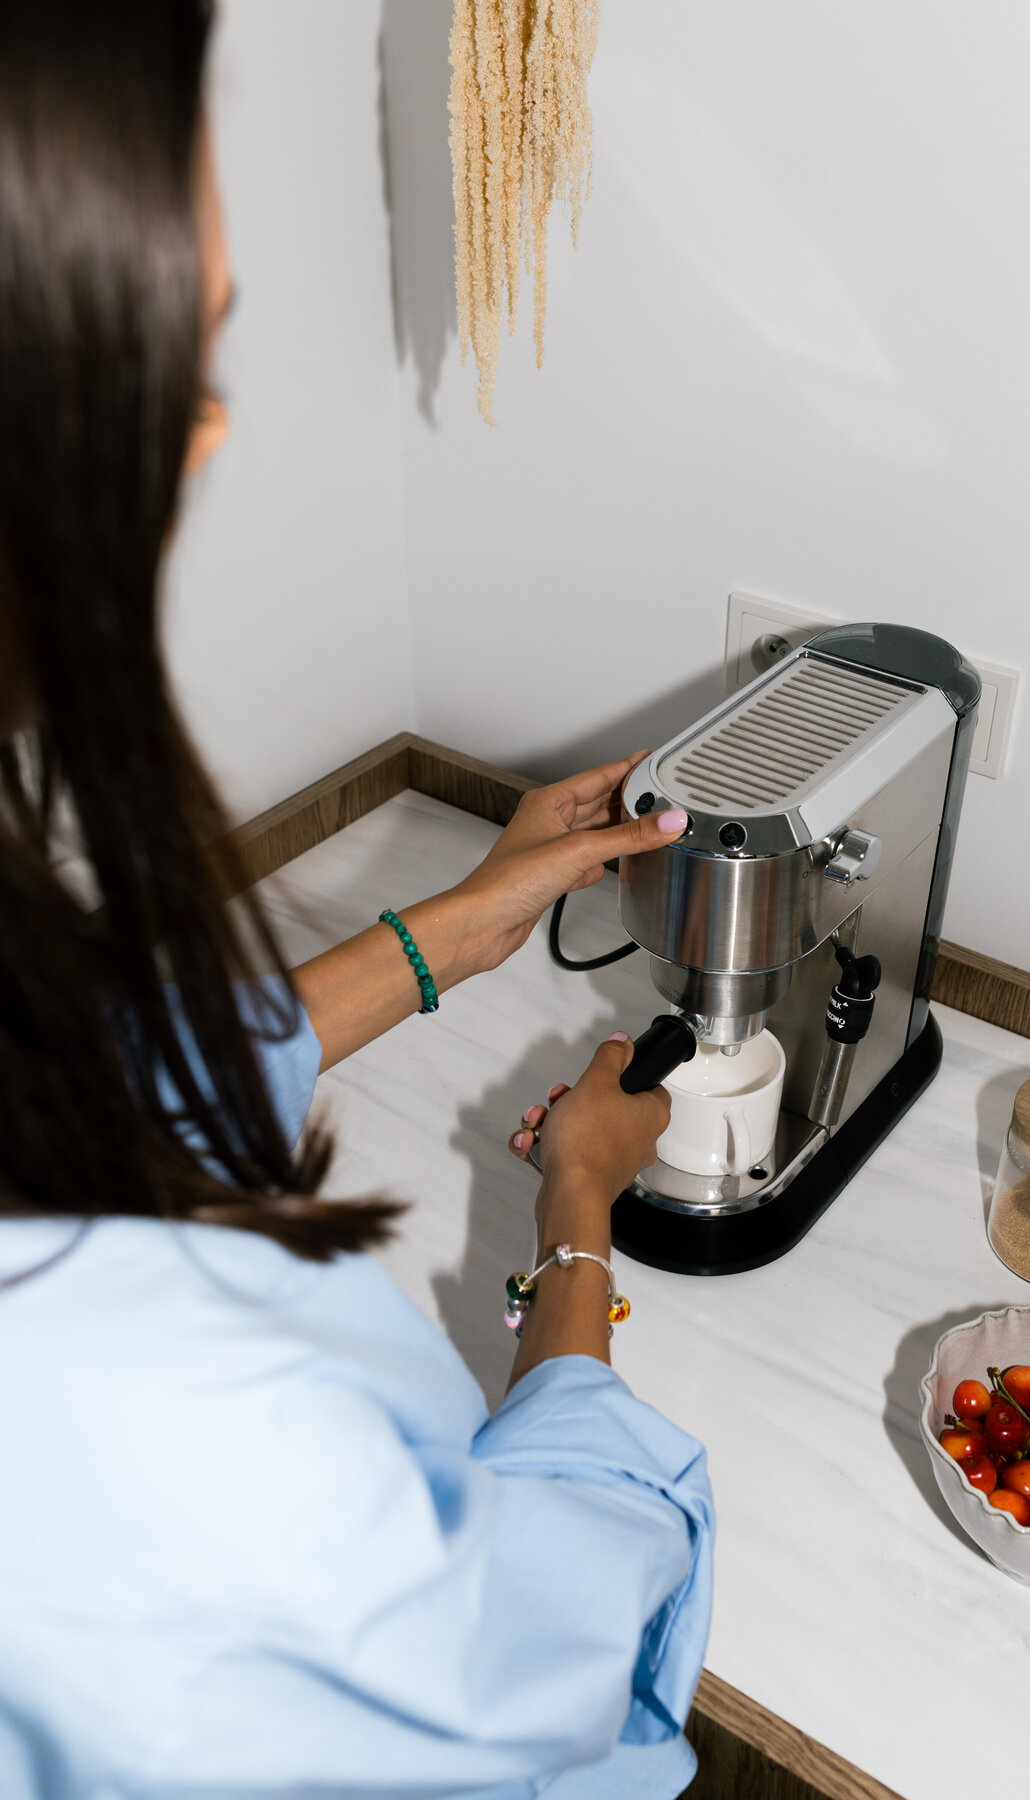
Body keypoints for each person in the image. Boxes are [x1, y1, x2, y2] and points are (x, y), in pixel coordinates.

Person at [0, 5, 713, 1797]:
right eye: (169, 375)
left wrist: (459, 926)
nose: (206, 445)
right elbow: (536, 1653)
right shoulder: (160, 1430)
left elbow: (102, 1083)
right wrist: (574, 1217)